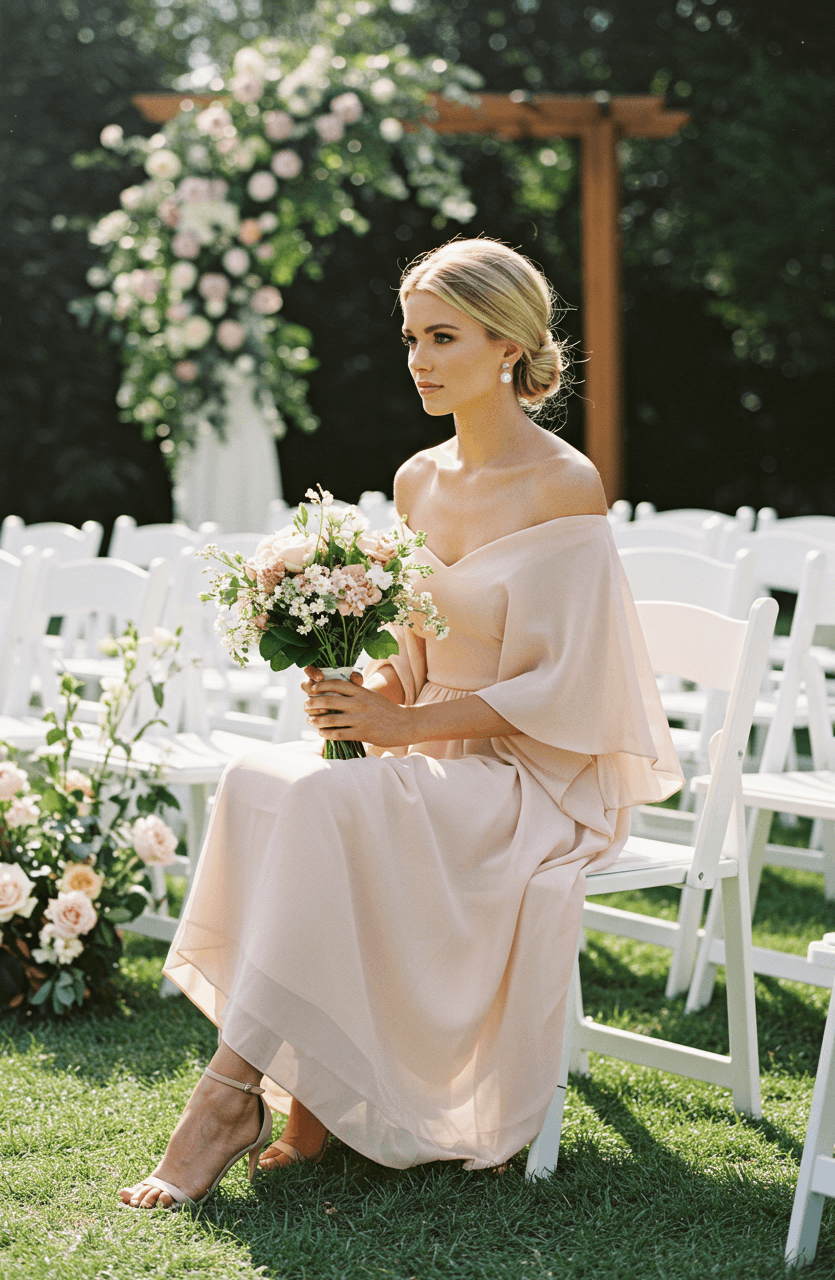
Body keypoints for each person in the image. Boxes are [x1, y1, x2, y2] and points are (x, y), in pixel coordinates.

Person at [119, 237, 682, 1210]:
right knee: (260, 778)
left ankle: (227, 1097)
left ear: (506, 345)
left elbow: (570, 689)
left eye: (442, 336)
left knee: (323, 808)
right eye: (410, 336)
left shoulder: (562, 483)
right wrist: (360, 689)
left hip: (528, 776)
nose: (418, 358)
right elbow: (415, 642)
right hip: (423, 744)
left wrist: (400, 724)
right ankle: (304, 1084)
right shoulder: (416, 478)